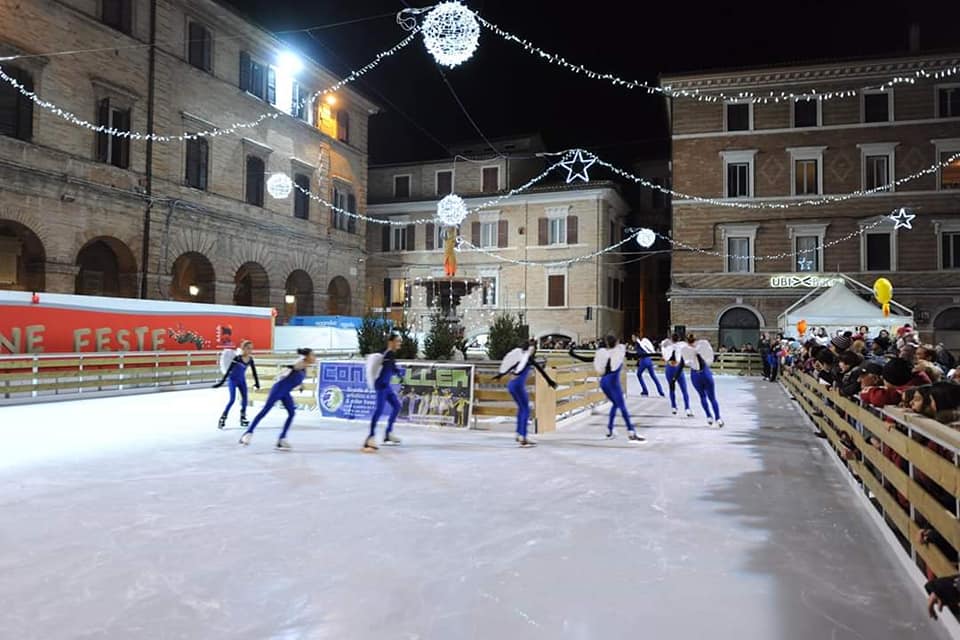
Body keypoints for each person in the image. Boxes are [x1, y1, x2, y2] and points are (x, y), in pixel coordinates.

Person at [570, 336, 645, 441]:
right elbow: (637, 355)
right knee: (622, 407)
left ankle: (611, 429)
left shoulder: (603, 354)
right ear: (616, 343)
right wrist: (655, 354)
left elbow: (587, 359)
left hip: (604, 382)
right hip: (613, 382)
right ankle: (630, 432)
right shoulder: (619, 353)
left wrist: (573, 354)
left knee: (616, 404)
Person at [239, 348, 316, 450]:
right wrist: (287, 370)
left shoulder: (304, 366)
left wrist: (300, 385)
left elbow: (295, 375)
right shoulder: (300, 363)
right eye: (312, 355)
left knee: (291, 413)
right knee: (265, 411)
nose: (314, 357)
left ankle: (282, 439)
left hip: (285, 392)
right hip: (279, 389)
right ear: (306, 356)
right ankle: (248, 433)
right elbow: (290, 369)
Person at [494, 340, 557, 447]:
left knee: (522, 408)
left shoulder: (520, 357)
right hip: (518, 385)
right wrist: (550, 381)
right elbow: (540, 370)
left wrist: (501, 374)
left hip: (511, 385)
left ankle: (519, 434)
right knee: (526, 410)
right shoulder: (528, 358)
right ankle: (523, 436)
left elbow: (511, 367)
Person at [365, 333, 407, 452]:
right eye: (397, 341)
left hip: (386, 386)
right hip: (381, 386)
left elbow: (392, 367)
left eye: (399, 341)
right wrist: (394, 376)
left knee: (397, 406)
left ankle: (388, 433)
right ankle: (370, 437)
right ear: (391, 342)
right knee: (379, 410)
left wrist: (399, 375)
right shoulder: (387, 353)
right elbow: (385, 368)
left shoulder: (390, 354)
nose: (399, 343)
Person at [213, 340, 261, 429]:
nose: (250, 350)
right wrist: (221, 382)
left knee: (245, 399)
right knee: (232, 400)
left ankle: (243, 417)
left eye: (251, 348)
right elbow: (229, 371)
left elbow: (254, 372)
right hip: (233, 380)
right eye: (248, 348)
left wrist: (257, 383)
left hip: (242, 381)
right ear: (243, 348)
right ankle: (223, 417)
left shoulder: (250, 359)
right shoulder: (237, 358)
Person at [680, 335, 723, 427]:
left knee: (702, 396)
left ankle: (709, 416)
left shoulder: (685, 349)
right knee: (712, 398)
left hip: (695, 375)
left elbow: (685, 361)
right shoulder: (702, 345)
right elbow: (709, 355)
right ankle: (718, 418)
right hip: (705, 373)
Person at [661, 334, 692, 417]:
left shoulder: (669, 345)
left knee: (674, 389)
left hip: (671, 368)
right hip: (676, 368)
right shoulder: (680, 345)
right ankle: (686, 408)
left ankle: (675, 407)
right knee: (683, 389)